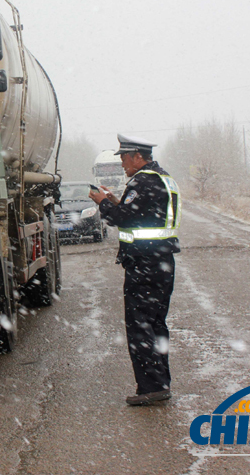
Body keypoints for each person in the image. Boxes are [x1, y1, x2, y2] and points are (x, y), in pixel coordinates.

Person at [89, 134, 181, 406]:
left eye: (124, 158)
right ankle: (160, 382)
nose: (122, 164)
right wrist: (118, 201)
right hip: (161, 263)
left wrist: (102, 203)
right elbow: (142, 215)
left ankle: (151, 387)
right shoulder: (164, 179)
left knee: (140, 326)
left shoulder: (143, 181)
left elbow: (123, 219)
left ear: (138, 157)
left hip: (145, 265)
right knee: (155, 324)